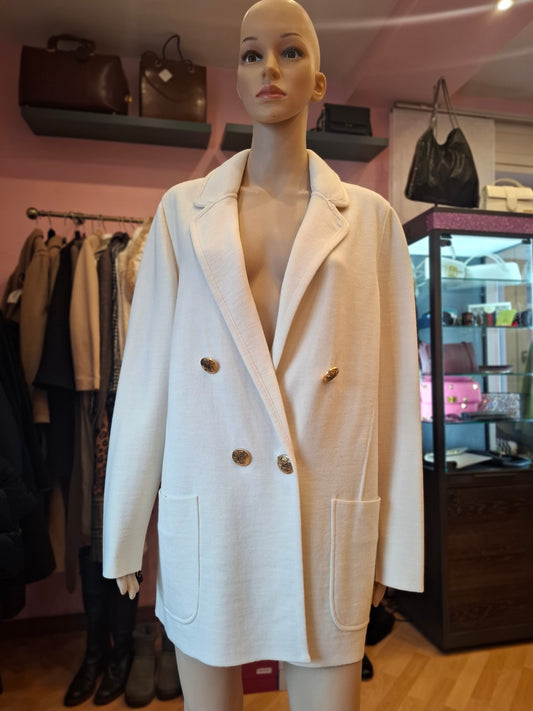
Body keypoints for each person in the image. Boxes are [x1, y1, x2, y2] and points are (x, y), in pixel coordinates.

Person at [103, 1, 424, 709]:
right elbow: (146, 379)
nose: (268, 68)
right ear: (237, 78)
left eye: (290, 51)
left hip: (323, 507)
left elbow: (396, 394)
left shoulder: (371, 221)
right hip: (212, 507)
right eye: (251, 54)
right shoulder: (182, 212)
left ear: (319, 82)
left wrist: (393, 544)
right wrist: (124, 527)